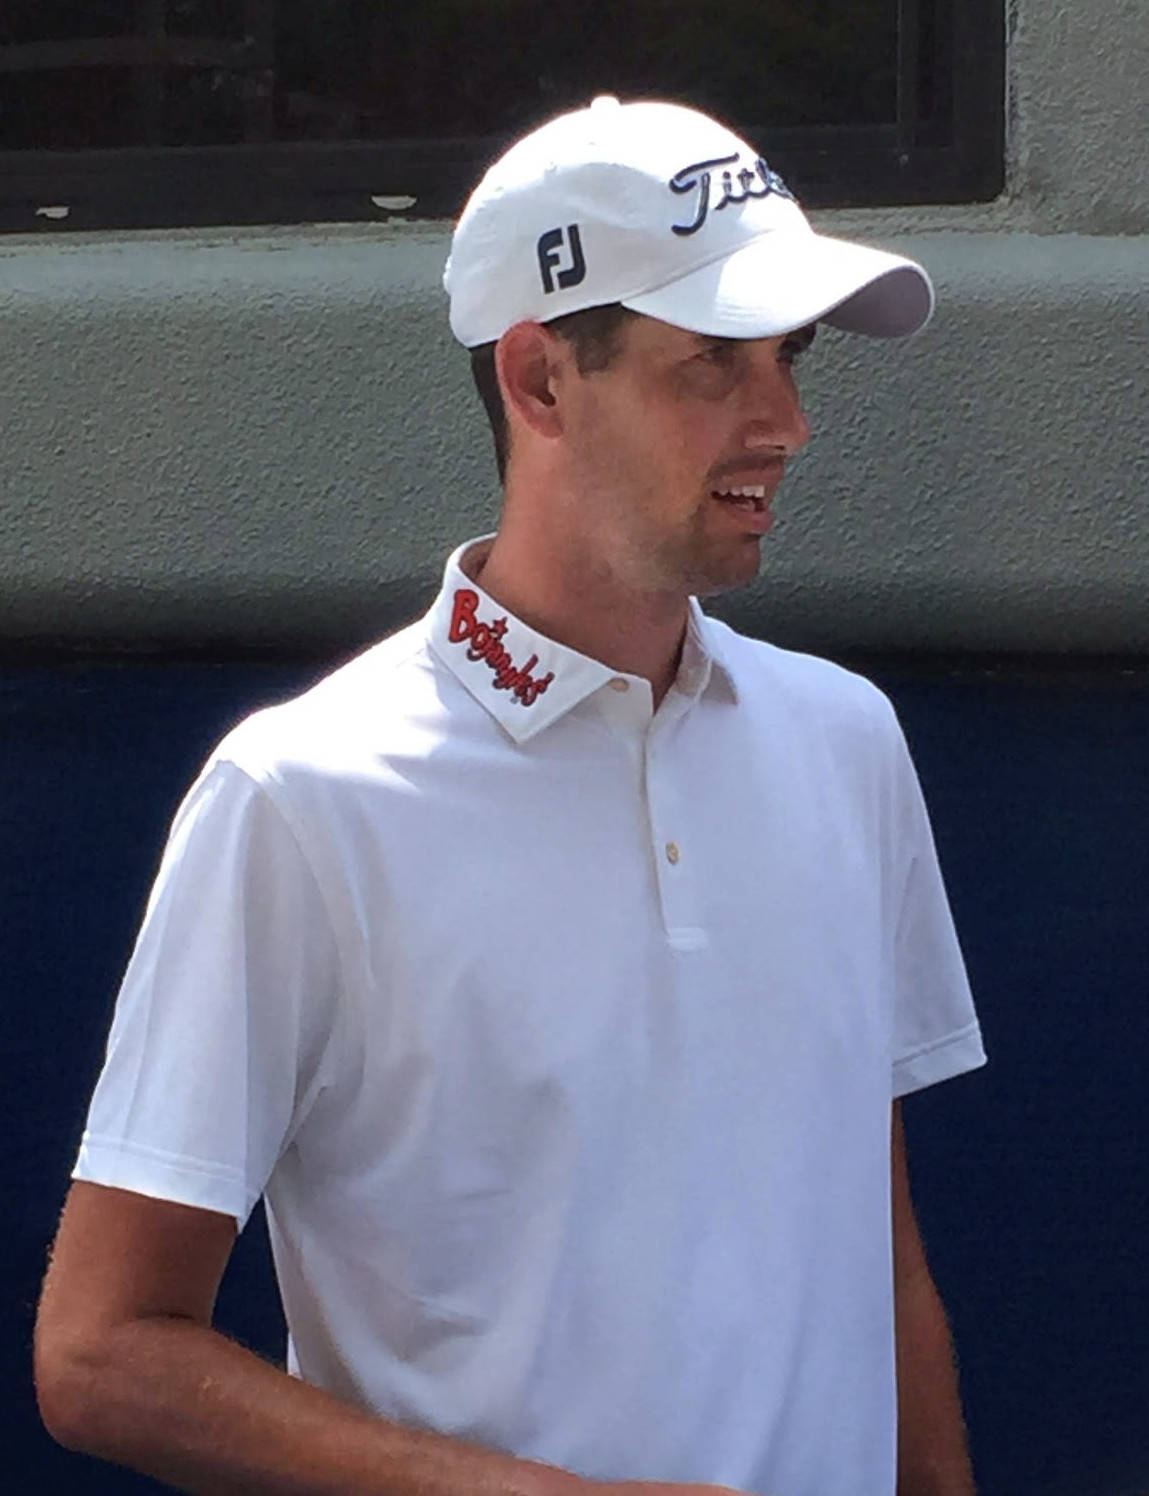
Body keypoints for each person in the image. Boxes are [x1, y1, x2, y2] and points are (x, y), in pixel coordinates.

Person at [35, 95, 986, 1496]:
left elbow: (873, 1256)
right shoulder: (302, 797)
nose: (784, 421)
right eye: (713, 363)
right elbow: (102, 1352)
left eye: (786, 359)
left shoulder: (845, 741)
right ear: (540, 381)